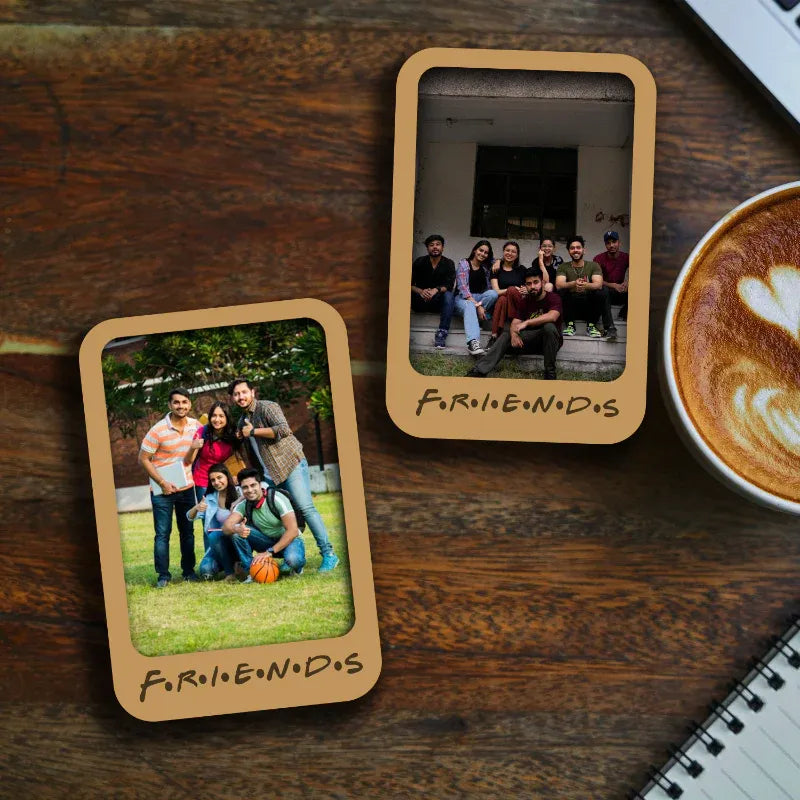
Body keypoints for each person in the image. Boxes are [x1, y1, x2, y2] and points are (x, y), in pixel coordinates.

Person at [227, 378, 339, 572]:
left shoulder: (267, 407)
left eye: (243, 392)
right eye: (236, 394)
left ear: (252, 392)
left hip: (290, 465)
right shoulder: (241, 421)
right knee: (276, 513)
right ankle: (289, 556)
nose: (240, 397)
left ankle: (329, 554)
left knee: (305, 508)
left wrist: (253, 431)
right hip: (270, 475)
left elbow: (283, 429)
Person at [138, 387, 200, 588]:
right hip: (162, 490)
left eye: (184, 402)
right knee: (163, 533)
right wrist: (162, 483)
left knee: (187, 532)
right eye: (176, 402)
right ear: (169, 405)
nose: (181, 406)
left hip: (187, 488)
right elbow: (143, 458)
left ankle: (189, 572)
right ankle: (163, 576)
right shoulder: (157, 430)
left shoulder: (196, 426)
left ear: (189, 404)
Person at [467, 268, 563, 380]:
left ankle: (550, 373)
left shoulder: (553, 298)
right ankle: (479, 371)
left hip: (549, 343)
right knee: (506, 334)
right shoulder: (525, 300)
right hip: (527, 342)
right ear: (525, 286)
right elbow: (515, 322)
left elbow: (553, 316)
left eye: (536, 282)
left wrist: (527, 322)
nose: (532, 286)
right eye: (529, 284)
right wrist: (514, 335)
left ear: (542, 283)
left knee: (549, 327)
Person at [222, 468, 306, 577]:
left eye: (253, 485)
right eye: (245, 487)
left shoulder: (276, 498)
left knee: (293, 560)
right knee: (236, 534)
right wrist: (237, 529)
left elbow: (293, 530)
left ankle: (296, 567)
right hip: (266, 540)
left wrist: (269, 552)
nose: (250, 490)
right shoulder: (243, 505)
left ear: (260, 485)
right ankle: (251, 572)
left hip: (290, 540)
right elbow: (226, 527)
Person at [555, 235, 617, 342]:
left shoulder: (593, 265)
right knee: (561, 291)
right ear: (569, 251)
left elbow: (598, 284)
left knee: (603, 290)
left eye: (578, 247)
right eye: (572, 248)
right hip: (571, 307)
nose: (575, 250)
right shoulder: (563, 267)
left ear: (584, 250)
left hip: (589, 307)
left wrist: (585, 285)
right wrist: (574, 283)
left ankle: (599, 326)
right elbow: (559, 284)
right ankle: (570, 325)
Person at [188, 463, 242, 581]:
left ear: (227, 477)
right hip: (219, 541)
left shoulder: (240, 492)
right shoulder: (210, 498)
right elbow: (190, 517)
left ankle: (234, 567)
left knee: (220, 536)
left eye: (219, 478)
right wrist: (196, 508)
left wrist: (240, 499)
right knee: (206, 570)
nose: (216, 482)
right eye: (213, 480)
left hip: (238, 538)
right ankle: (229, 568)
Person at [184, 402, 240, 509]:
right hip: (203, 480)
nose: (217, 419)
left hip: (224, 480)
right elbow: (188, 460)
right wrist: (193, 447)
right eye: (214, 415)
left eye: (221, 416)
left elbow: (237, 458)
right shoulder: (203, 432)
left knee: (226, 512)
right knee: (207, 515)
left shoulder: (233, 435)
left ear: (227, 418)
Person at [453, 239, 499, 356]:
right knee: (469, 305)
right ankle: (473, 343)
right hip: (463, 298)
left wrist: (498, 261)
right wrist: (478, 306)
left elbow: (500, 261)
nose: (482, 254)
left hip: (479, 298)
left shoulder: (486, 267)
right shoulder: (464, 263)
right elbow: (463, 288)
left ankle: (476, 316)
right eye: (480, 250)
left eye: (486, 252)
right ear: (475, 250)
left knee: (493, 294)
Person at [411, 234, 456, 349]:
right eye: (431, 245)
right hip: (419, 301)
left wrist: (436, 290)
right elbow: (408, 284)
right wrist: (421, 291)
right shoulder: (419, 262)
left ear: (442, 247)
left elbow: (449, 285)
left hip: (438, 302)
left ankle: (442, 333)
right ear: (427, 248)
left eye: (438, 244)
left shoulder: (449, 263)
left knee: (449, 295)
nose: (435, 247)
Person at [487, 240, 527, 350]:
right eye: (507, 250)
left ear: (517, 255)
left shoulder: (522, 270)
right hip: (502, 304)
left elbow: (528, 287)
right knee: (502, 299)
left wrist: (525, 290)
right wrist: (511, 289)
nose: (510, 253)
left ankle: (496, 334)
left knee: (509, 293)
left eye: (513, 252)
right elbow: (496, 291)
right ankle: (495, 336)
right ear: (503, 252)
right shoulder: (496, 269)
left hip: (518, 303)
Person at [593, 230, 629, 321]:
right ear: (605, 245)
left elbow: (638, 271)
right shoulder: (599, 258)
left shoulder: (626, 257)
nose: (611, 245)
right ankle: (608, 325)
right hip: (606, 292)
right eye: (608, 243)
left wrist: (627, 282)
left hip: (621, 291)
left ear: (619, 243)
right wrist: (613, 285)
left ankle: (623, 314)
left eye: (614, 242)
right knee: (600, 290)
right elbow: (596, 280)